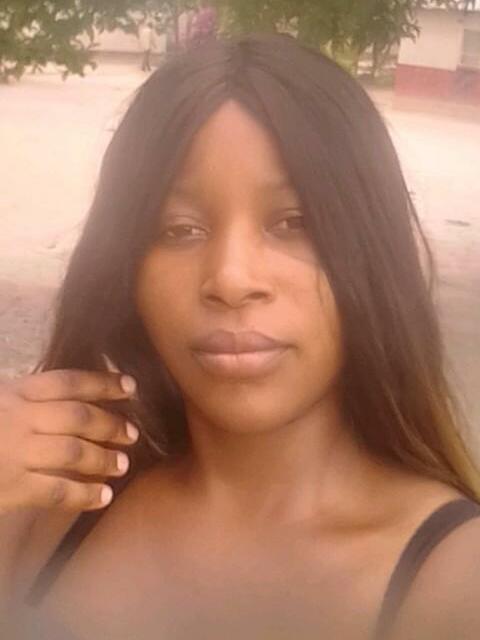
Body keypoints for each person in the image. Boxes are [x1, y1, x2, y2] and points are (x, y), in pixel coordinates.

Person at [1, 34, 480, 640]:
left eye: (294, 222)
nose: (230, 279)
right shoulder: (44, 504)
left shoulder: (453, 580)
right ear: (126, 271)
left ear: (374, 253)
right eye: (179, 229)